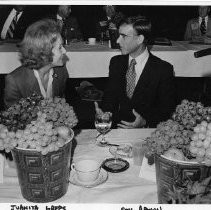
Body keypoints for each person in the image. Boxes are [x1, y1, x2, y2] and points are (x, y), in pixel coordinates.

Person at [95, 16, 176, 128]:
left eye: (123, 36)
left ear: (140, 39)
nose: (118, 40)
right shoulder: (116, 62)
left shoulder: (162, 69)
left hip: (145, 133)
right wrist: (105, 112)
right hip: (116, 129)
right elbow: (110, 97)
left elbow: (167, 111)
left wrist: (145, 122)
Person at [4, 18, 73, 108]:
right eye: (60, 47)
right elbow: (12, 119)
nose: (64, 51)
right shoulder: (15, 81)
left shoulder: (61, 71)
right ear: (44, 51)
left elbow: (61, 103)